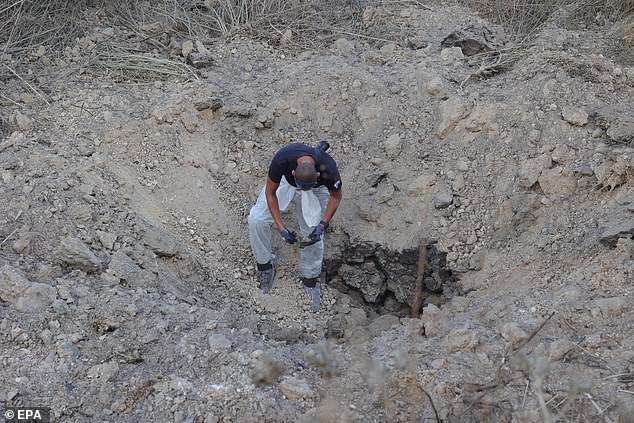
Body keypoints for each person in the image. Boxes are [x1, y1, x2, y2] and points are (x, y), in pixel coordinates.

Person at [247, 141, 343, 311]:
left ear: (318, 177)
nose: (302, 189)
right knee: (256, 219)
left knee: (313, 235)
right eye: (302, 186)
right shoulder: (282, 159)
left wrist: (322, 224)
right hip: (286, 184)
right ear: (293, 172)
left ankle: (310, 280)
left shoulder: (328, 169)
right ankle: (264, 266)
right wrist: (281, 227)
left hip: (315, 191)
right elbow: (270, 193)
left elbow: (336, 197)